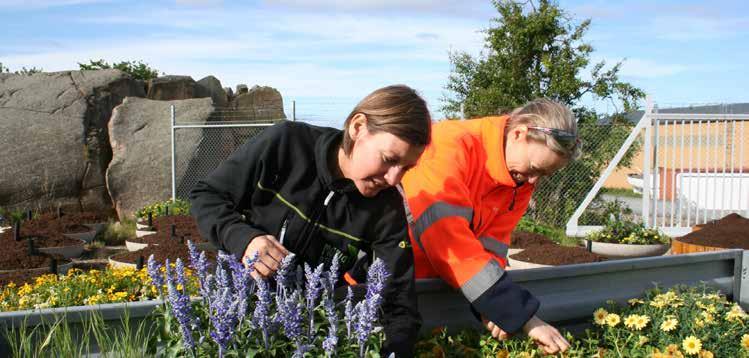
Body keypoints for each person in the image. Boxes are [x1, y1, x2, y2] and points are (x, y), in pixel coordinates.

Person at [189, 84, 431, 356]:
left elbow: (399, 300)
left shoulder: (387, 208)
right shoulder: (285, 144)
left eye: (406, 168)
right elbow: (206, 196)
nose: (394, 179)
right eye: (389, 159)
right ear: (358, 127)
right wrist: (244, 239)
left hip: (309, 333)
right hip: (234, 322)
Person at [400, 98, 579, 354]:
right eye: (534, 168)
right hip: (394, 282)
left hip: (442, 292)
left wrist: (490, 307)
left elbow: (492, 247)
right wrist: (521, 315)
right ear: (519, 133)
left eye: (543, 175)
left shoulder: (519, 180)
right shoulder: (450, 144)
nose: (533, 180)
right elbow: (447, 239)